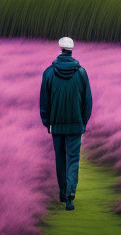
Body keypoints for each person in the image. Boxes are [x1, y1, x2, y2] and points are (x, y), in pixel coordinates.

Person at [39, 36, 93, 211]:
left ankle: (63, 194)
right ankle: (70, 196)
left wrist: (47, 122)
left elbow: (43, 102)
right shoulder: (82, 73)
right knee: (73, 160)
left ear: (60, 49)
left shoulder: (48, 73)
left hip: (56, 125)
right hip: (75, 125)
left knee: (60, 159)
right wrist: (83, 122)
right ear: (72, 50)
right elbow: (88, 102)